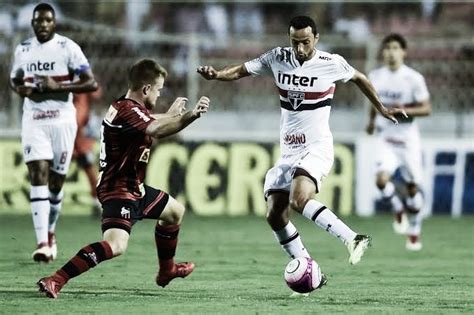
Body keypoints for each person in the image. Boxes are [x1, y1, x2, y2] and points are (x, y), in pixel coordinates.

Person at [197, 16, 406, 284]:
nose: (299, 49)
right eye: (295, 42)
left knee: (299, 199)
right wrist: (216, 74)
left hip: (317, 146)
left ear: (316, 39)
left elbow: (360, 78)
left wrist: (382, 109)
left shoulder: (331, 63)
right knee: (275, 214)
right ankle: (309, 268)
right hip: (289, 151)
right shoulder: (277, 57)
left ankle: (353, 238)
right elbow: (240, 70)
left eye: (305, 42)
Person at [37, 58, 210, 299]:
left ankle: (166, 270)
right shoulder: (129, 111)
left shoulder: (125, 107)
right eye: (158, 89)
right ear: (147, 89)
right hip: (118, 190)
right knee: (116, 245)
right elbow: (156, 130)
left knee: (174, 212)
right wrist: (191, 116)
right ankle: (56, 279)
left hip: (134, 187)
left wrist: (170, 114)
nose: (159, 94)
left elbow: (149, 120)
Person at [9, 3, 98, 263]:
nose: (43, 24)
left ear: (54, 22)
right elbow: (15, 80)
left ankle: (50, 232)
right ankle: (42, 244)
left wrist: (58, 84)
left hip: (62, 120)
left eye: (48, 20)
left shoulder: (67, 48)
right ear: (33, 23)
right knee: (38, 173)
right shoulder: (23, 49)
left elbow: (91, 83)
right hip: (34, 118)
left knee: (56, 184)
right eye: (38, 21)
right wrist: (22, 90)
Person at [366, 34, 431, 251]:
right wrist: (371, 121)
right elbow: (373, 102)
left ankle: (414, 229)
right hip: (386, 137)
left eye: (395, 48)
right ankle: (397, 208)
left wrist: (406, 110)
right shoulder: (375, 76)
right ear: (382, 52)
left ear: (404, 51)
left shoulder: (413, 78)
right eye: (387, 48)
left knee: (412, 188)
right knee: (381, 180)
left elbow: (426, 108)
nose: (391, 52)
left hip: (408, 140)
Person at [72, 89, 103, 217]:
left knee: (90, 171)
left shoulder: (82, 80)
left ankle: (96, 202)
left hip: (80, 139)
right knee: (54, 171)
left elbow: (97, 93)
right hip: (64, 135)